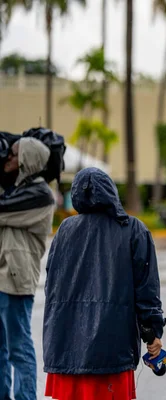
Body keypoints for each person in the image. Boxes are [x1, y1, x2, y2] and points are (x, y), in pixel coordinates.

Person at [43, 168, 166, 400]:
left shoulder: (64, 231)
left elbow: (52, 288)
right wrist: (152, 333)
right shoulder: (133, 229)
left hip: (67, 348)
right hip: (112, 350)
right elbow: (147, 290)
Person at [0, 138, 55, 400]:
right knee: (1, 348)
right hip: (3, 277)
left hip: (15, 281)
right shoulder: (15, 189)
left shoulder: (39, 194)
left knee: (18, 348)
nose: (7, 158)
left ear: (27, 159)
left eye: (13, 154)